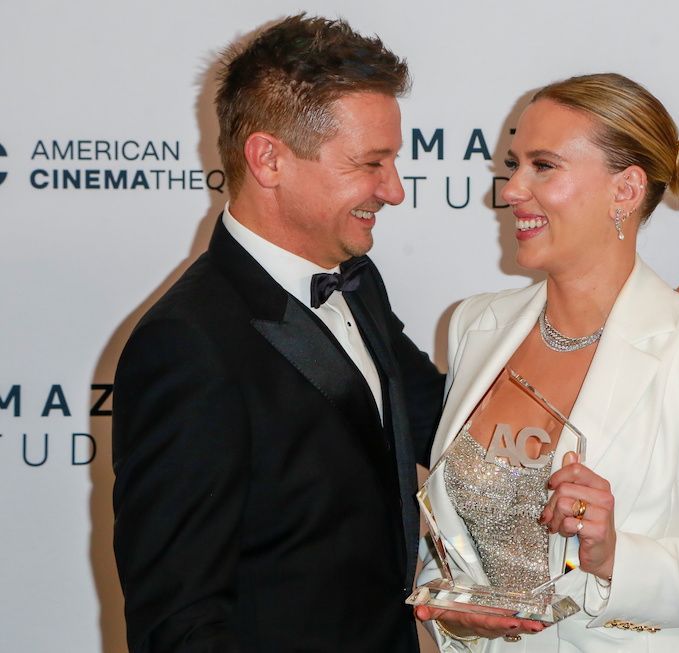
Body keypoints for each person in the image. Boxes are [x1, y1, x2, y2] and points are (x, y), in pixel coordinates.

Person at [414, 73, 679, 652]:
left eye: (543, 166)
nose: (512, 189)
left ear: (626, 189)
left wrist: (617, 556)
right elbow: (451, 545)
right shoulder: (477, 325)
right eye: (514, 165)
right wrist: (453, 609)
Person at [112, 15, 445, 653]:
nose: (394, 190)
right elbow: (178, 626)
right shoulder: (187, 346)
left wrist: (608, 334)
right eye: (369, 163)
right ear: (269, 159)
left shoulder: (358, 281)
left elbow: (445, 420)